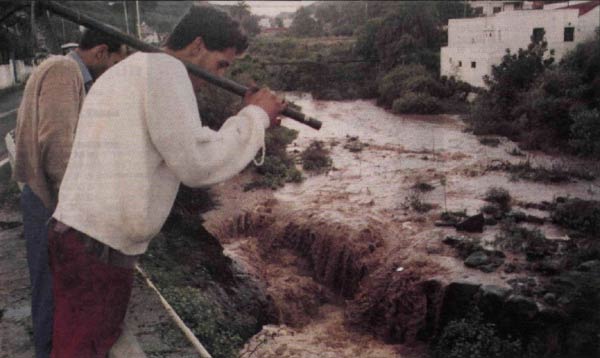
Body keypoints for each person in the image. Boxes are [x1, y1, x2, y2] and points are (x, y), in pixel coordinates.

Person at [48, 5, 285, 357]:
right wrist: (254, 118)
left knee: (80, 345)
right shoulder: (166, 71)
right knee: (84, 350)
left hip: (80, 237)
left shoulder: (130, 69)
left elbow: (182, 142)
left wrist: (249, 120)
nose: (216, 75)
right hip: (97, 248)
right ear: (197, 45)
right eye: (222, 64)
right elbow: (196, 163)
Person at [12, 30, 126, 358]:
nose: (114, 69)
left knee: (51, 288)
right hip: (51, 203)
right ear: (102, 52)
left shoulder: (62, 69)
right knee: (51, 291)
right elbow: (57, 145)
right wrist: (78, 207)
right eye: (116, 61)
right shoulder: (65, 70)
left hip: (44, 198)